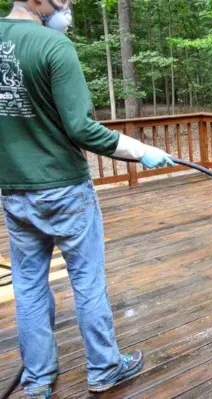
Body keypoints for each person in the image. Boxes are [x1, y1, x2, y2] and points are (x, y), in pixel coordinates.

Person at [0, 1, 174, 397]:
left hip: (14, 189)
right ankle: (104, 368)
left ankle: (38, 380)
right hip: (63, 188)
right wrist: (138, 150)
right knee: (87, 280)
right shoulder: (53, 46)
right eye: (64, 2)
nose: (68, 9)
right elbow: (81, 128)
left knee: (28, 286)